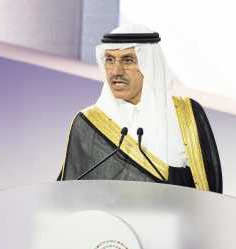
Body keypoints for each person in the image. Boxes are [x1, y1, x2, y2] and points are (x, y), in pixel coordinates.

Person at [58, 25, 222, 193]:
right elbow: (70, 193)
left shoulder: (186, 115)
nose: (116, 71)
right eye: (110, 60)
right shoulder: (89, 123)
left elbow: (210, 190)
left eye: (128, 60)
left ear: (149, 65)